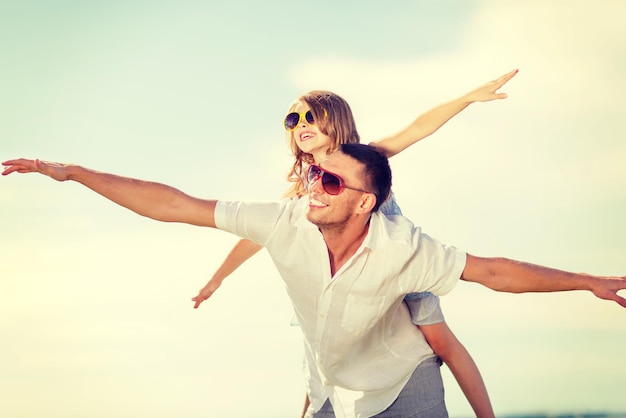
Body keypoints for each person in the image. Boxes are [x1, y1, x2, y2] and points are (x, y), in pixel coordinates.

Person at [2, 145, 625, 418]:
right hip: (333, 393)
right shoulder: (282, 220)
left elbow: (493, 272)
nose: (312, 188)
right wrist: (74, 173)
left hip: (401, 390)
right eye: (312, 173)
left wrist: (587, 282)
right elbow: (174, 204)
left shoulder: (404, 249)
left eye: (330, 181)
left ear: (365, 203)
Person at [192, 70, 518, 418]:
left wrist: (466, 98)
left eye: (311, 117)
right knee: (324, 338)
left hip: (398, 263)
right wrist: (217, 278)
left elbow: (416, 129)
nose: (301, 124)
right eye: (293, 118)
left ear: (336, 122)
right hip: (353, 274)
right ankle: (315, 409)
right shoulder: (308, 184)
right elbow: (257, 233)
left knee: (441, 342)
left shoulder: (362, 157)